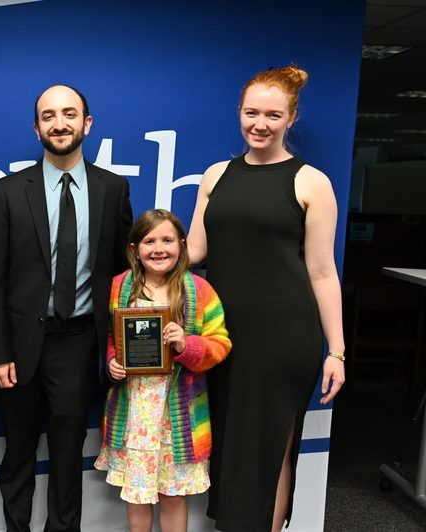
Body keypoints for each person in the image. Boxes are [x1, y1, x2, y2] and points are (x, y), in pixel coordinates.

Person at [186, 65, 346, 532]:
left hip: (283, 337)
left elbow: (321, 271)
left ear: (291, 118)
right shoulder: (217, 175)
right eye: (251, 112)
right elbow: (195, 251)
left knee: (270, 446)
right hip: (221, 336)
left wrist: (335, 350)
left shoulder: (311, 182)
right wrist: (142, 255)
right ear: (239, 112)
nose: (260, 123)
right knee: (233, 447)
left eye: (272, 115)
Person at [0, 84, 133, 531]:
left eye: (69, 114)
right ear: (36, 127)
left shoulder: (113, 188)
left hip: (80, 342)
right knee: (19, 453)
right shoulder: (8, 191)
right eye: (48, 116)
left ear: (87, 123)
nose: (59, 123)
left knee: (68, 456)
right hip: (20, 346)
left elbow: (125, 273)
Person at [96, 209, 231, 532]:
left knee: (173, 495)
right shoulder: (118, 288)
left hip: (178, 417)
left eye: (167, 240)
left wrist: (188, 345)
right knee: (139, 496)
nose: (159, 249)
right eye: (149, 241)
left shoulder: (199, 291)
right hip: (136, 415)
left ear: (182, 246)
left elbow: (221, 343)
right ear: (134, 249)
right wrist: (113, 361)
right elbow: (109, 338)